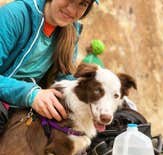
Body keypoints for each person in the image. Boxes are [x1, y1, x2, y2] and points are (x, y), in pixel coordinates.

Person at [0, 0, 99, 133]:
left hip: (24, 104)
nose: (72, 10)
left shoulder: (71, 30)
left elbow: (66, 80)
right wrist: (31, 94)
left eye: (83, 4)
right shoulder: (15, 15)